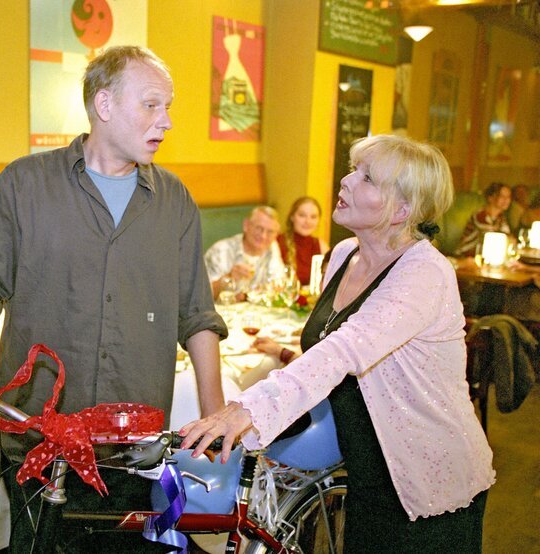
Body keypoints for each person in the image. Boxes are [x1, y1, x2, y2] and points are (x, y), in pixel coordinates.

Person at [0, 46, 227, 553]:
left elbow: (196, 314)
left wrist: (215, 409)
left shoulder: (175, 202)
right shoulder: (24, 184)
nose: (167, 121)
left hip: (132, 448)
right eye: (153, 105)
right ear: (104, 104)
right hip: (36, 440)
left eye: (169, 107)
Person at [181, 134, 495, 553]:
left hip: (427, 476)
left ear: (401, 210)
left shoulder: (424, 272)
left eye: (366, 177)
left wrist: (248, 408)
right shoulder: (345, 254)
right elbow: (326, 355)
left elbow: (346, 349)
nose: (345, 182)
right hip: (366, 472)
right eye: (352, 169)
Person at [204, 205, 285, 298]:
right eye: (259, 228)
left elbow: (279, 284)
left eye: (270, 232)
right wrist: (228, 278)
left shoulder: (272, 247)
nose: (263, 236)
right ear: (246, 225)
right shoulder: (221, 250)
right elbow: (200, 296)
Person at [277, 196, 330, 285]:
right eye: (302, 215)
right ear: (292, 217)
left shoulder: (321, 246)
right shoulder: (277, 242)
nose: (307, 221)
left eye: (313, 217)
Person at [454, 181, 512, 257]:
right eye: (502, 196)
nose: (506, 200)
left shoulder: (500, 217)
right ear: (491, 198)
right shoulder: (480, 215)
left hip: (485, 257)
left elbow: (508, 236)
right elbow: (493, 240)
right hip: (466, 257)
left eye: (508, 197)